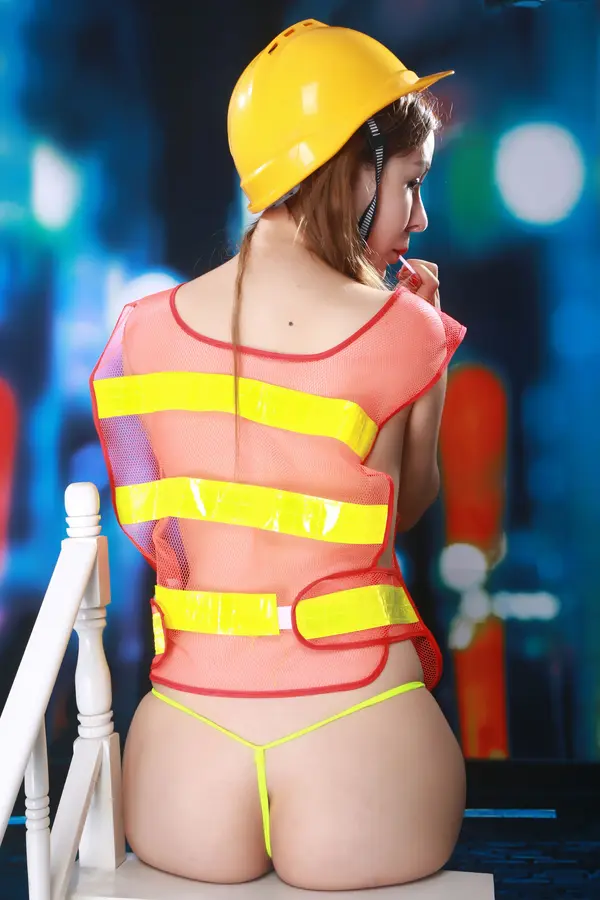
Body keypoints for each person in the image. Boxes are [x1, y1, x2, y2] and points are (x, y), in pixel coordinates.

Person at [91, 18, 467, 892]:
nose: (419, 218)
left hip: (181, 757)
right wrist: (425, 345)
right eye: (411, 184)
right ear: (354, 168)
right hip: (363, 742)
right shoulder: (409, 327)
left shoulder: (141, 332)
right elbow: (404, 512)